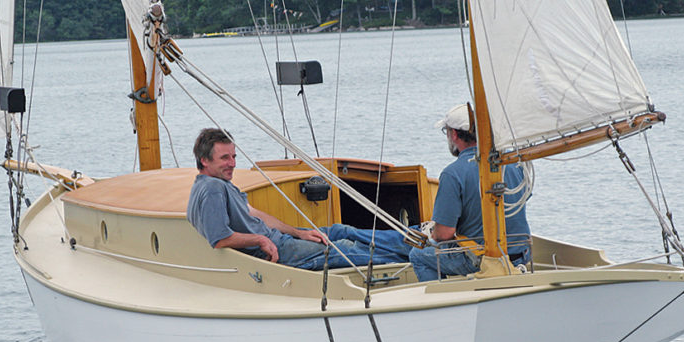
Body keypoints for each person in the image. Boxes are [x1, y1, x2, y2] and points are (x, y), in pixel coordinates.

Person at [186, 128, 411, 271]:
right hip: (277, 251)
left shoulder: (221, 183)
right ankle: (412, 258)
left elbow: (254, 213)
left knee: (339, 231)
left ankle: (411, 239)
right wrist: (261, 241)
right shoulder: (212, 189)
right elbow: (220, 239)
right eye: (225, 158)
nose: (233, 163)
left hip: (282, 239)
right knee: (342, 247)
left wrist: (298, 232)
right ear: (204, 160)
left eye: (234, 157)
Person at [409, 104, 531, 281]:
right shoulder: (513, 163)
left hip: (483, 259)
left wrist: (432, 232)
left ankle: (443, 303)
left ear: (455, 134)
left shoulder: (452, 174)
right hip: (521, 253)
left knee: (417, 255)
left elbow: (444, 234)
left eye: (447, 132)